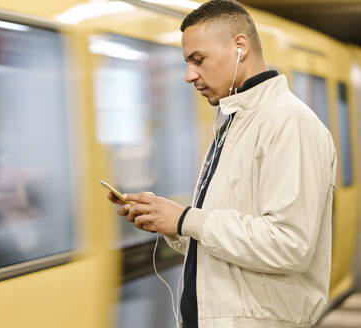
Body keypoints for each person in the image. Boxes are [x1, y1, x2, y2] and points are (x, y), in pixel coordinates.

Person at [107, 0, 337, 327]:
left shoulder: (289, 122)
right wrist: (166, 219)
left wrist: (187, 218)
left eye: (198, 60)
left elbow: (290, 245)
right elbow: (228, 238)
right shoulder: (234, 120)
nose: (189, 75)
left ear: (240, 47)